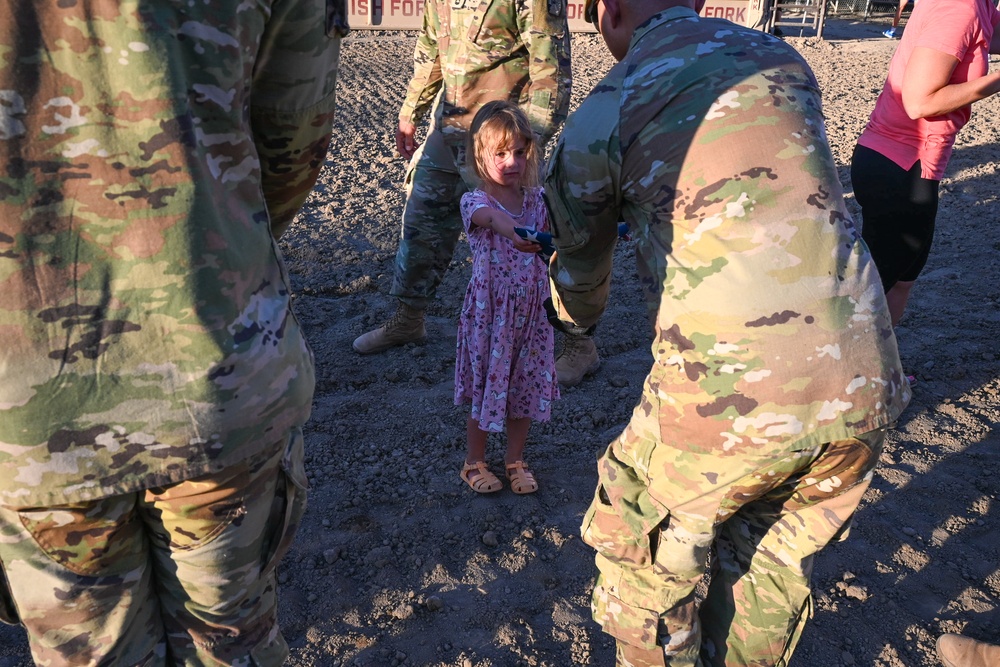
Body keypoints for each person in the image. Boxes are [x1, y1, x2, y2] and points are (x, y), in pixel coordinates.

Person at [542, 0, 912, 664]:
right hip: (865, 376)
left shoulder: (607, 108)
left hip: (733, 396)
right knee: (766, 569)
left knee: (644, 554)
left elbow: (580, 286)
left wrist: (568, 317)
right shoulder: (779, 58)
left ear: (610, 10)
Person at [0, 1, 344, 664]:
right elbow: (292, 141)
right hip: (213, 372)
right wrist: (205, 248)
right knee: (233, 641)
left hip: (30, 405)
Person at [350, 0, 597, 388]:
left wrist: (525, 145)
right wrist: (410, 109)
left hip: (503, 142)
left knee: (534, 243)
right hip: (449, 129)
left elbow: (550, 72)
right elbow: (431, 46)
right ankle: (409, 320)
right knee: (421, 224)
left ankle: (578, 344)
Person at [852, 0, 1000, 328]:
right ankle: (852, 372)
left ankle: (884, 371)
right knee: (871, 290)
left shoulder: (980, 4)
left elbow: (994, 33)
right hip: (901, 166)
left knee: (903, 279)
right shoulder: (960, 7)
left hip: (906, 163)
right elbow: (918, 102)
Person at [455, 101, 560, 495]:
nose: (511, 161)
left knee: (525, 388)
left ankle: (515, 460)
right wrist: (514, 230)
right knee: (487, 386)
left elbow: (567, 225)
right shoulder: (476, 202)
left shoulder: (539, 200)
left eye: (518, 151)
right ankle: (474, 462)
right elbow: (492, 221)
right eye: (499, 153)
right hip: (491, 315)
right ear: (479, 155)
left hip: (534, 312)